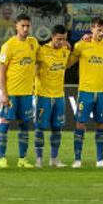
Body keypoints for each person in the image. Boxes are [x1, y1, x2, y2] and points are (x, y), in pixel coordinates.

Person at [67, 17, 103, 168]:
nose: (102, 33)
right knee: (80, 124)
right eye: (99, 30)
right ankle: (77, 159)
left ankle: (101, 160)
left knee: (101, 125)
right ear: (92, 29)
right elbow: (69, 63)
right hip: (85, 91)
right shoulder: (81, 45)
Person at [0, 14, 39, 169]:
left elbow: (41, 58)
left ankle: (22, 159)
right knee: (5, 123)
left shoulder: (33, 43)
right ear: (16, 26)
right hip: (12, 92)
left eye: (28, 26)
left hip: (27, 93)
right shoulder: (8, 46)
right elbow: (0, 72)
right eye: (23, 26)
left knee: (24, 125)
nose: (26, 28)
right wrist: (3, 93)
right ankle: (2, 158)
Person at [33, 24, 70, 168]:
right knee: (40, 128)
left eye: (64, 39)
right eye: (59, 39)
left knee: (57, 128)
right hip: (43, 96)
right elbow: (33, 69)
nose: (61, 42)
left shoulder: (65, 50)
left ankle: (54, 159)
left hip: (59, 96)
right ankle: (39, 159)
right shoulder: (42, 51)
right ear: (52, 37)